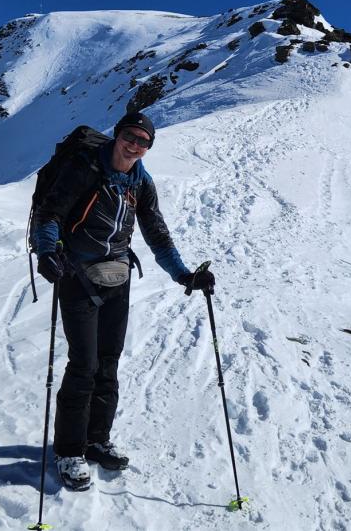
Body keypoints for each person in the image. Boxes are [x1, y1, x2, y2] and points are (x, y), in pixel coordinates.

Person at [31, 111, 214, 490]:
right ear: (117, 135)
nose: (135, 145)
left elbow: (157, 234)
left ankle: (97, 439)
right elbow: (49, 215)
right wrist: (48, 251)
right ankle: (69, 450)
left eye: (143, 141)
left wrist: (184, 275)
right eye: (130, 136)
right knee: (84, 363)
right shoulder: (84, 168)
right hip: (76, 275)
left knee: (108, 362)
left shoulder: (140, 183)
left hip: (117, 278)